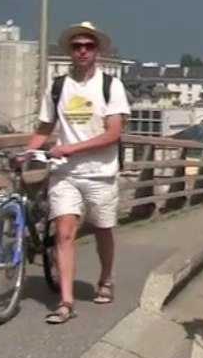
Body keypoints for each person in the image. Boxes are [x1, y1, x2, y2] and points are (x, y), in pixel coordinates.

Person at [19, 21, 130, 325]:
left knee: (103, 229)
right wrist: (28, 151)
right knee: (64, 232)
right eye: (77, 46)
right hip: (64, 173)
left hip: (100, 173)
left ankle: (105, 278)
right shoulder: (58, 86)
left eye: (88, 46)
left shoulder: (111, 85)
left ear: (97, 51)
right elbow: (45, 127)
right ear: (70, 50)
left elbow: (113, 133)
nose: (82, 50)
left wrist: (71, 148)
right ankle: (66, 301)